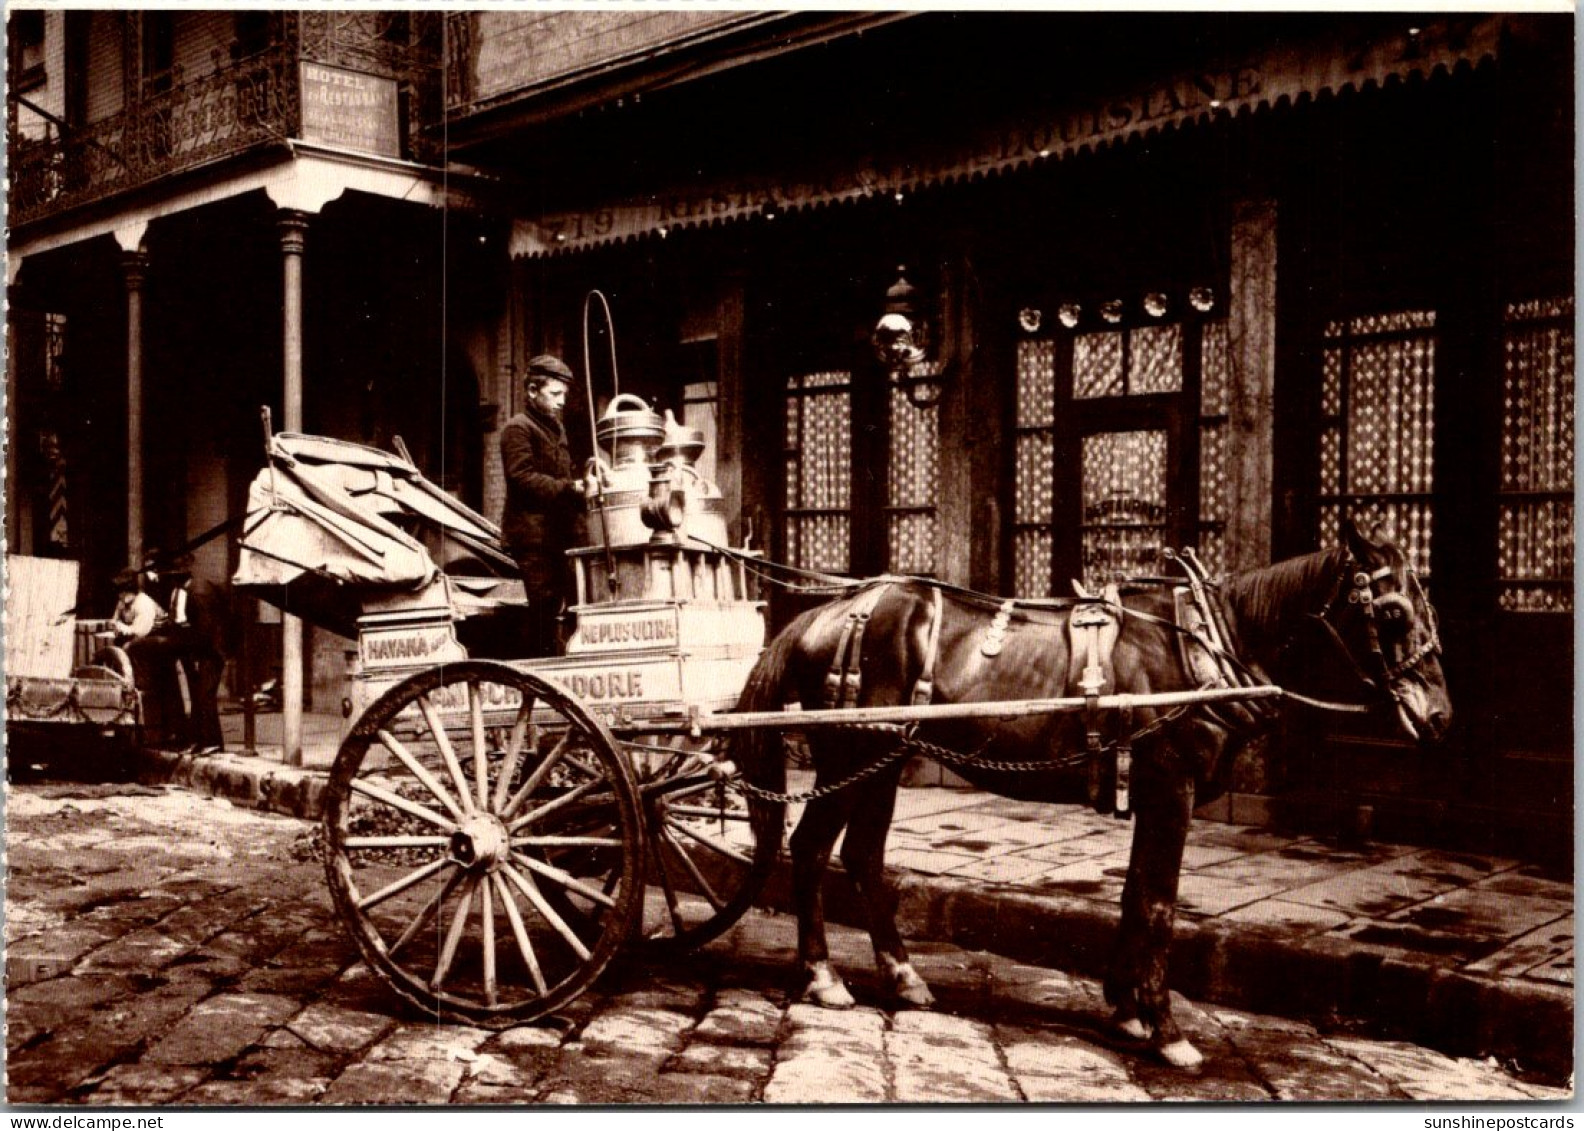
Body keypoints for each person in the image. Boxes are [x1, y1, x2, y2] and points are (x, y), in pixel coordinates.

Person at [500, 354, 588, 656]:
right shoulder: (518, 429)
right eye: (555, 394)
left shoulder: (555, 429)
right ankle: (533, 676)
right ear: (533, 391)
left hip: (560, 536)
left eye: (564, 394)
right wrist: (571, 487)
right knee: (543, 609)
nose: (562, 401)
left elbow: (558, 477)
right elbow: (521, 478)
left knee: (574, 604)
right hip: (534, 538)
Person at [164, 555, 230, 755]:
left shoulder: (197, 592)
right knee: (197, 694)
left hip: (209, 651)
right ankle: (200, 739)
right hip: (201, 649)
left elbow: (205, 629)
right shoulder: (188, 590)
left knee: (205, 695)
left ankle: (212, 741)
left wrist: (197, 655)